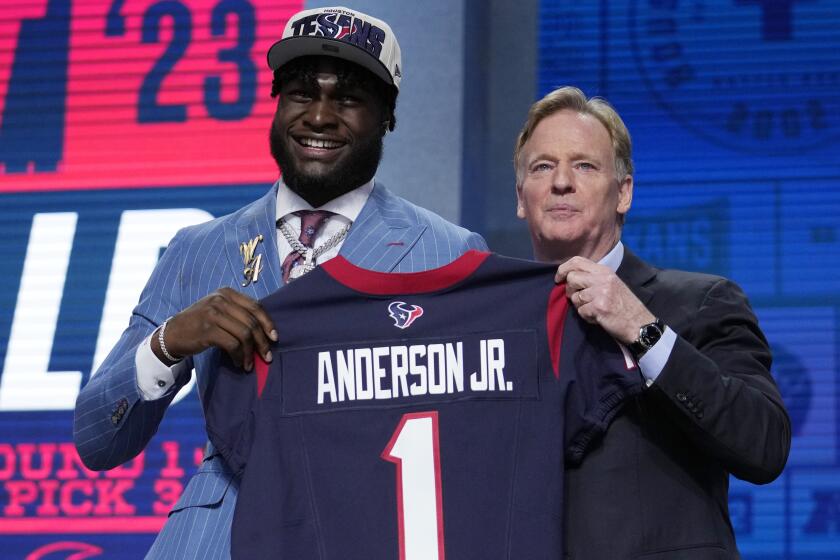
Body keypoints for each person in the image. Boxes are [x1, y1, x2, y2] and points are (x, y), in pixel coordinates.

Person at [73, 6, 486, 558]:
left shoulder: (446, 253)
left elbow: (475, 451)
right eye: (299, 92)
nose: (319, 116)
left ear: (387, 115)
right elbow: (99, 441)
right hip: (216, 540)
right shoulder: (199, 249)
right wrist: (169, 341)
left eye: (348, 98)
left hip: (368, 533)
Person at [513, 86, 790, 559]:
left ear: (624, 192)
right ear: (521, 198)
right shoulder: (495, 326)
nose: (561, 182)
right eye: (542, 166)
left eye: (584, 165)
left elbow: (763, 444)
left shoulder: (701, 302)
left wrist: (644, 330)